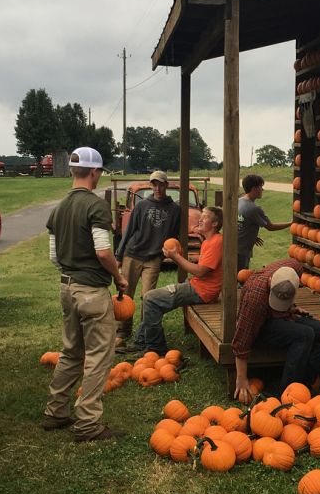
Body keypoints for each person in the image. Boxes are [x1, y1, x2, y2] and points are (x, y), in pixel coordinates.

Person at [42, 147, 128, 442]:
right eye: (100, 172)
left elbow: (54, 257)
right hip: (91, 290)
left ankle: (55, 412)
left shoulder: (58, 208)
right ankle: (88, 423)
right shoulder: (96, 206)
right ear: (94, 172)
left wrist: (72, 272)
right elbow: (103, 251)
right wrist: (118, 276)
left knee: (71, 352)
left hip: (66, 288)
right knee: (99, 356)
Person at [233, 258, 320, 403]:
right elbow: (241, 340)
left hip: (281, 315)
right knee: (304, 334)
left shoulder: (295, 268)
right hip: (260, 327)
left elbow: (284, 292)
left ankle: (304, 385)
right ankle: (286, 395)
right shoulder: (254, 299)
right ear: (270, 282)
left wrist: (290, 308)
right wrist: (241, 378)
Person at [129, 206, 224, 355]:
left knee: (150, 299)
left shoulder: (216, 242)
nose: (199, 219)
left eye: (205, 217)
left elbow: (201, 272)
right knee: (154, 300)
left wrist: (176, 257)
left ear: (214, 224)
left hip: (201, 292)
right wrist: (187, 258)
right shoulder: (209, 241)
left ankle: (155, 348)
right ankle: (141, 340)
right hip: (196, 286)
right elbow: (206, 265)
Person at [114, 170, 181, 351]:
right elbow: (128, 231)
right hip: (133, 254)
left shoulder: (175, 209)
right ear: (151, 185)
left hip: (153, 258)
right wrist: (119, 255)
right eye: (154, 184)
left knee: (148, 297)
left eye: (161, 184)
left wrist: (167, 253)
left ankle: (143, 335)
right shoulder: (142, 205)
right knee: (126, 295)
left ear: (167, 185)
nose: (157, 188)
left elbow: (174, 235)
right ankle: (122, 333)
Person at [237, 174, 292, 271]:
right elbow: (270, 227)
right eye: (261, 187)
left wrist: (251, 236)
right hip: (242, 251)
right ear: (254, 189)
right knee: (240, 277)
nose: (262, 190)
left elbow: (240, 222)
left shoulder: (239, 201)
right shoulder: (253, 209)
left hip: (235, 246)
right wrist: (290, 223)